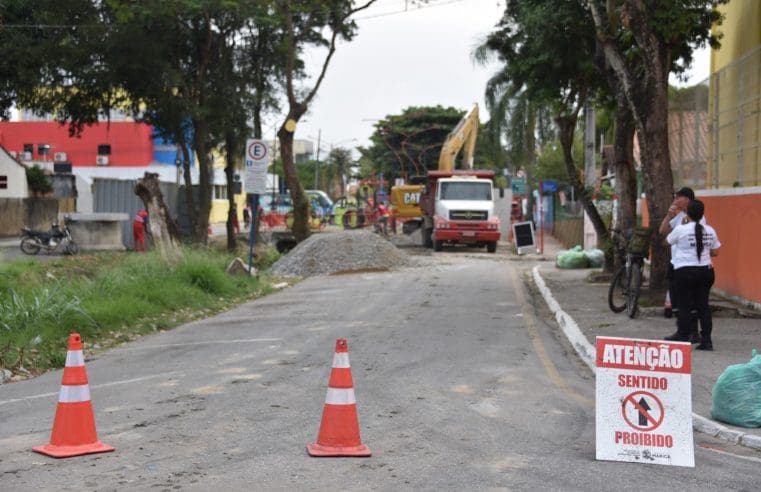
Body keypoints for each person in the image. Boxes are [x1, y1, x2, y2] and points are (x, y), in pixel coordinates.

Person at [665, 200, 721, 350]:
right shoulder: (710, 230)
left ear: (687, 213)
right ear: (702, 214)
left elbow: (668, 241)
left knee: (684, 305)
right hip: (706, 272)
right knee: (703, 306)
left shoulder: (681, 230)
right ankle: (707, 340)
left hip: (684, 271)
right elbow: (715, 251)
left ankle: (684, 335)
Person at [659, 187, 705, 343]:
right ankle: (681, 330)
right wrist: (668, 215)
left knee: (690, 301)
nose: (674, 199)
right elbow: (663, 231)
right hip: (676, 263)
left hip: (690, 265)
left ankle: (692, 332)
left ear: (687, 199)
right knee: (676, 300)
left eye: (677, 197)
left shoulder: (698, 218)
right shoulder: (679, 216)